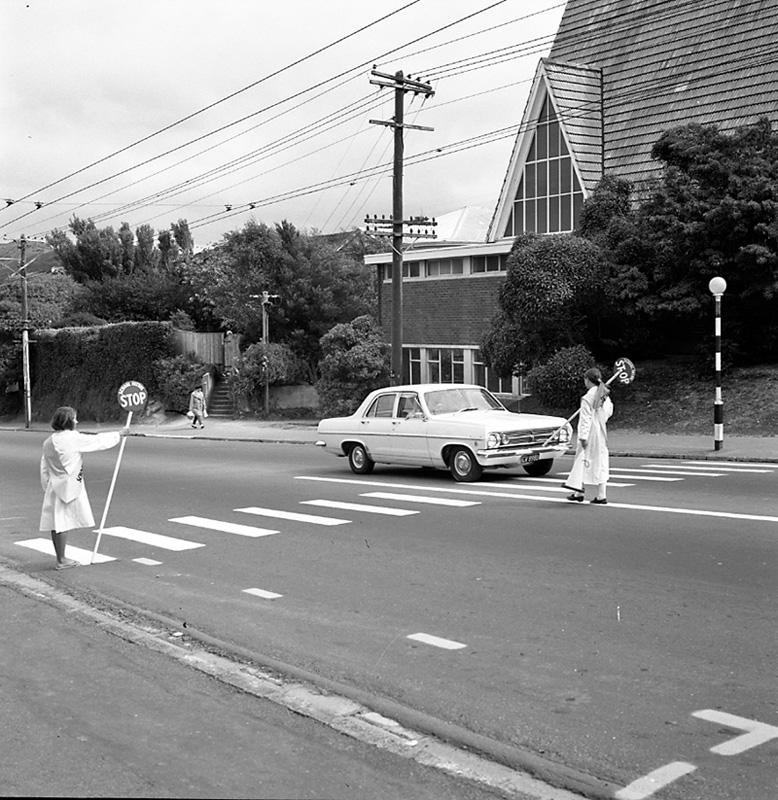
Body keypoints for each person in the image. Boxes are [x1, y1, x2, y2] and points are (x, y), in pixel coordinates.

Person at [39, 406, 128, 570]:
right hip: (70, 484)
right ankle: (61, 560)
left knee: (56, 522)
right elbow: (96, 441)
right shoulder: (73, 438)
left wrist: (47, 485)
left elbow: (44, 467)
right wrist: (119, 434)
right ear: (69, 421)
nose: (77, 421)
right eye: (74, 418)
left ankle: (60, 556)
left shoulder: (49, 441)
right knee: (62, 522)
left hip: (54, 484)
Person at [564, 367, 614, 504]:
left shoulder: (588, 397)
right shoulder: (604, 394)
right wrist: (601, 419)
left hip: (590, 432)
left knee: (582, 460)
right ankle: (601, 494)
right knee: (601, 460)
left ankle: (578, 491)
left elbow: (585, 419)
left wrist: (583, 437)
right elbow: (609, 411)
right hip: (601, 430)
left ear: (587, 380)